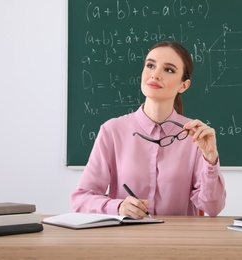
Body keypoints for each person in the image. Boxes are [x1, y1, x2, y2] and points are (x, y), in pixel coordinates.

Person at [71, 41, 226, 218]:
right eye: (150, 65)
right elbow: (81, 199)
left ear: (184, 85)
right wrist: (118, 207)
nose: (155, 75)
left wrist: (210, 157)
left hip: (180, 240)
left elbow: (213, 208)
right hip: (125, 239)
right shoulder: (112, 131)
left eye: (168, 70)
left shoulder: (195, 135)